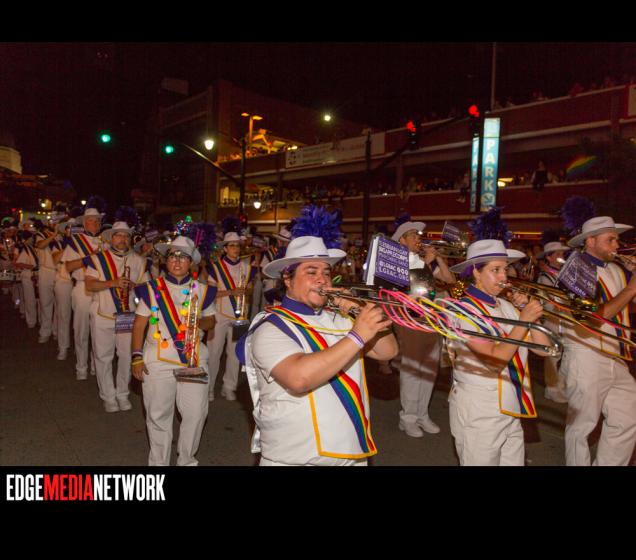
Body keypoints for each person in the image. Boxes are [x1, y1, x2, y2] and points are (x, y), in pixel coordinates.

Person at [241, 235, 399, 465]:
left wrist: (355, 308)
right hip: (295, 457)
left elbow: (388, 351)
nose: (322, 279)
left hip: (350, 452)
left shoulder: (341, 318)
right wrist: (357, 336)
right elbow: (299, 379)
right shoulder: (269, 326)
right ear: (287, 278)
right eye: (311, 272)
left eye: (326, 272)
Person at [446, 239, 552, 466]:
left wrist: (529, 315)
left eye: (505, 269)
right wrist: (523, 321)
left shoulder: (506, 306)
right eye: (495, 270)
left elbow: (543, 349)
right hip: (480, 407)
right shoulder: (462, 311)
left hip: (511, 401)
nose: (504, 276)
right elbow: (494, 360)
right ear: (476, 272)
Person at [132, 236, 216, 466]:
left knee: (196, 413)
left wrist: (197, 322)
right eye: (172, 256)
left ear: (192, 263)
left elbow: (211, 321)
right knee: (158, 415)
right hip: (158, 359)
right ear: (165, 261)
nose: (177, 261)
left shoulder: (204, 290)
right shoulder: (151, 289)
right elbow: (139, 324)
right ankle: (158, 463)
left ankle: (187, 460)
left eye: (183, 257)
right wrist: (136, 357)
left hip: (193, 358)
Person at [562, 216, 636, 465]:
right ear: (590, 241)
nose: (617, 245)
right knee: (581, 427)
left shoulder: (615, 269)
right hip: (586, 354)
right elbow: (595, 318)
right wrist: (631, 288)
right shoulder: (574, 270)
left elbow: (629, 303)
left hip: (616, 355)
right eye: (610, 240)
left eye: (616, 239)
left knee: (627, 418)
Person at [392, 219, 455, 437]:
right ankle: (407, 417)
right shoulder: (397, 262)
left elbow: (449, 279)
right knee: (412, 370)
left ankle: (422, 414)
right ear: (401, 240)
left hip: (430, 320)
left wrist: (438, 258)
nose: (418, 239)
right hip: (410, 321)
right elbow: (418, 286)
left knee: (429, 369)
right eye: (413, 235)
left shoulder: (421, 260)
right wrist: (427, 263)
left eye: (418, 235)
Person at [84, 221, 149, 412]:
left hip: (128, 315)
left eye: (126, 236)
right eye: (119, 235)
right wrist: (112, 283)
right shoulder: (98, 259)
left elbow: (147, 288)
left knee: (127, 356)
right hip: (103, 313)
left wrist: (135, 287)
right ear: (111, 238)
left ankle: (122, 393)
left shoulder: (139, 260)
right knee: (103, 356)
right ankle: (108, 396)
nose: (123, 239)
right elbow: (89, 284)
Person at [206, 231, 257, 402]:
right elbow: (211, 294)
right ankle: (209, 387)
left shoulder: (247, 268)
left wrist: (246, 291)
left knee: (235, 353)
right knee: (214, 352)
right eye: (232, 245)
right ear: (225, 249)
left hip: (240, 315)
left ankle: (229, 387)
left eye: (237, 245)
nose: (236, 248)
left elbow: (250, 289)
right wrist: (231, 292)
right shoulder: (215, 268)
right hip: (219, 314)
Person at [61, 206, 105, 380]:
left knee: (99, 330)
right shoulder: (76, 241)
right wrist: (90, 258)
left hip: (102, 288)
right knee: (81, 330)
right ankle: (81, 367)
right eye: (91, 220)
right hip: (82, 288)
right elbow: (68, 266)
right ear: (84, 223)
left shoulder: (106, 240)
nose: (95, 223)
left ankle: (96, 365)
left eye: (97, 221)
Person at [535, 240, 570, 403]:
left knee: (566, 355)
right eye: (558, 254)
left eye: (562, 253)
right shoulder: (545, 277)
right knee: (552, 356)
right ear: (549, 257)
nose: (562, 256)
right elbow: (548, 303)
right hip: (553, 320)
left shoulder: (563, 273)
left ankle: (561, 385)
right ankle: (551, 388)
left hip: (566, 320)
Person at [14, 229, 39, 329]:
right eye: (31, 238)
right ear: (27, 239)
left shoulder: (30, 248)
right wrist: (31, 266)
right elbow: (18, 263)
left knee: (34, 298)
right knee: (29, 299)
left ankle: (33, 318)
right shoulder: (23, 248)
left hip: (32, 276)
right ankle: (31, 321)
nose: (33, 239)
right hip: (27, 275)